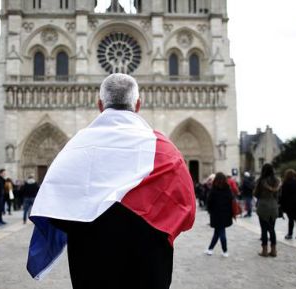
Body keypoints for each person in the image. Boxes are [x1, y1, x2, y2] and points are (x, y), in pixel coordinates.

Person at [27, 73, 196, 289]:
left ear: (100, 104)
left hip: (91, 267)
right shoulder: (164, 149)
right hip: (149, 267)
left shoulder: (75, 148)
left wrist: (93, 219)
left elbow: (54, 210)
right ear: (138, 104)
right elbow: (186, 209)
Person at [254, 163, 280, 257]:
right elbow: (278, 195)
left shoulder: (261, 181)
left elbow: (256, 194)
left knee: (264, 229)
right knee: (272, 229)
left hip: (263, 206)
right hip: (273, 206)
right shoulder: (277, 181)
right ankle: (274, 250)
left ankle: (264, 250)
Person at [204, 172, 233, 257]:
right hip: (225, 213)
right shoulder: (227, 189)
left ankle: (225, 251)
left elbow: (209, 202)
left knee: (221, 232)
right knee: (217, 232)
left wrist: (209, 210)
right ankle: (210, 249)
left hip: (216, 214)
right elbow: (231, 200)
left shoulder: (214, 189)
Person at [280, 169, 296, 240]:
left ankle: (290, 234)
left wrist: (282, 205)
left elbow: (283, 196)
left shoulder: (285, 183)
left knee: (291, 219)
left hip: (289, 204)